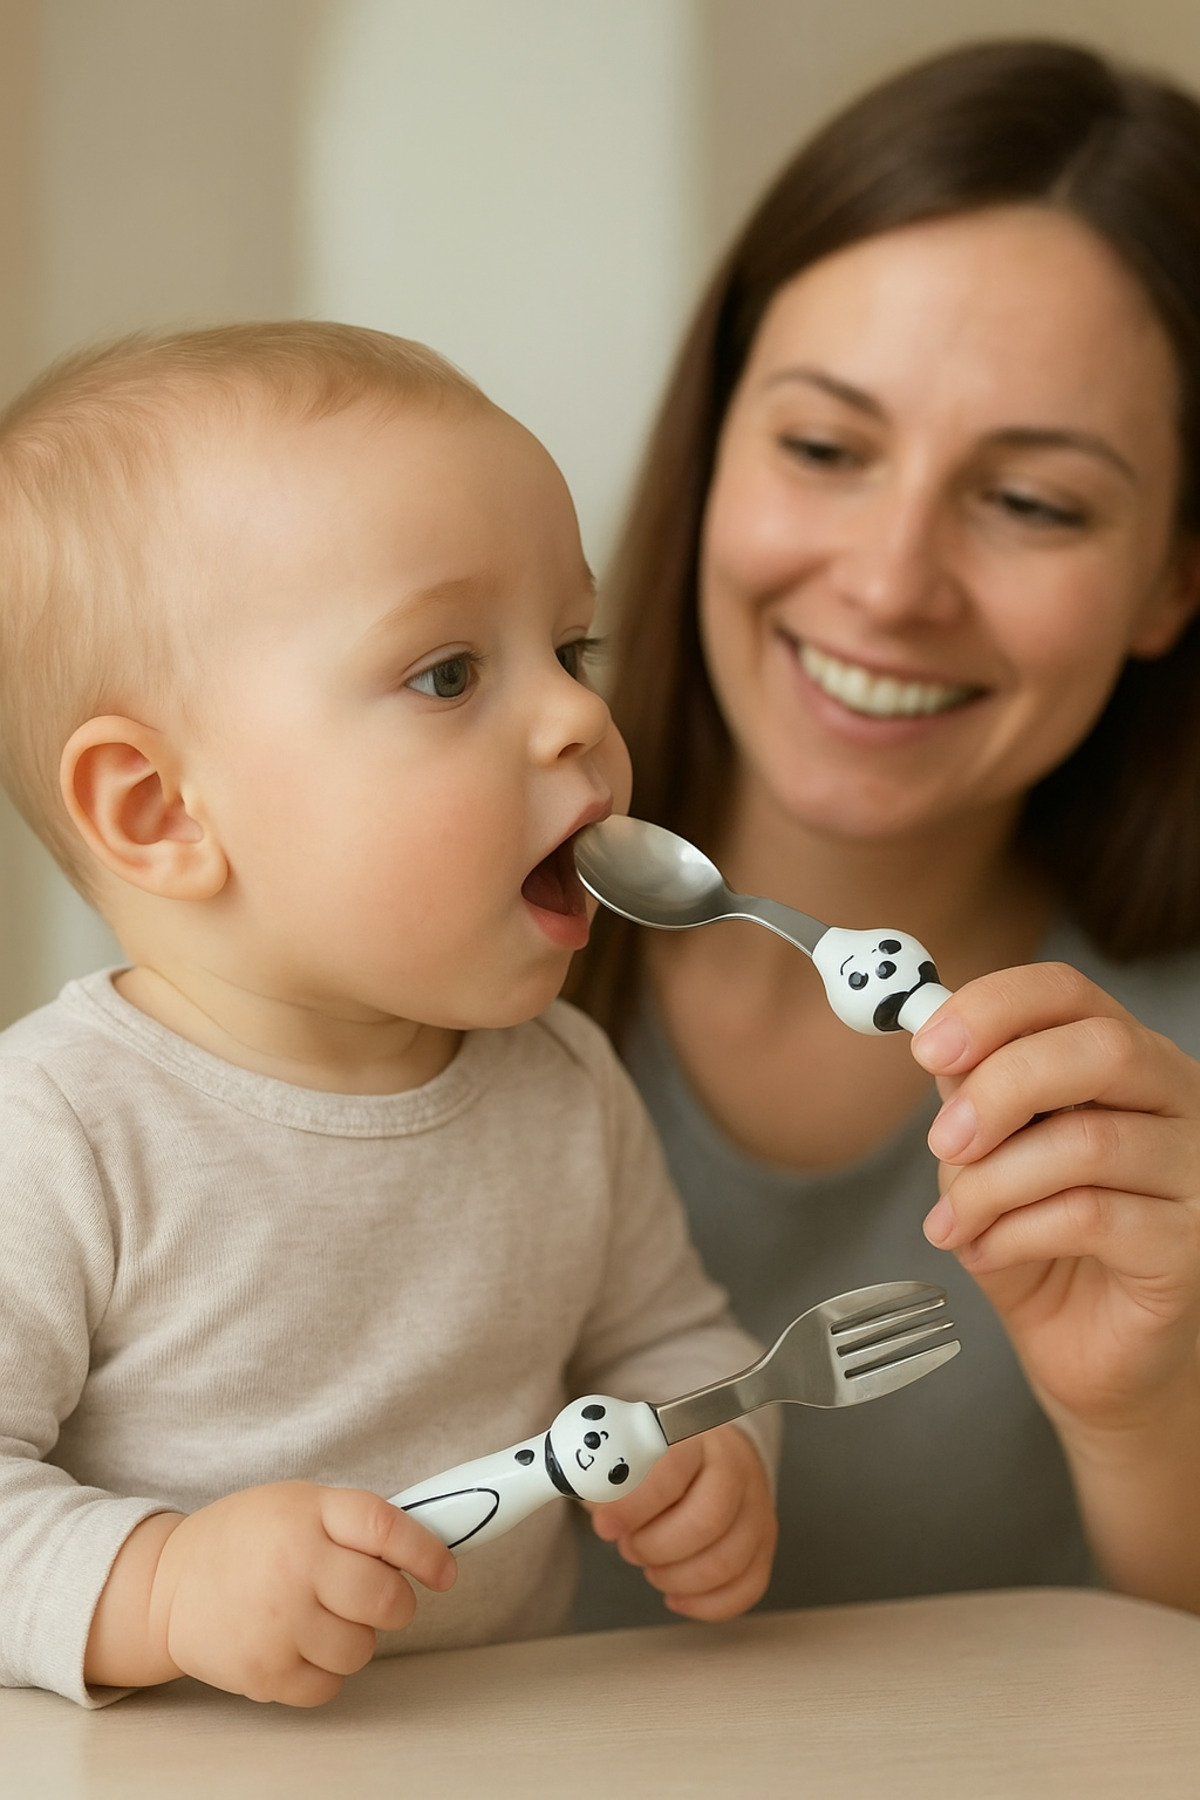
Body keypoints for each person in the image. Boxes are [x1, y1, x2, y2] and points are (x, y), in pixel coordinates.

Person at [0, 321, 778, 1709]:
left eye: (570, 647)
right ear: (162, 811)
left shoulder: (562, 1083)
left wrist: (714, 1446)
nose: (575, 722)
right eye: (448, 675)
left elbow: (675, 1342)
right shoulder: (62, 1129)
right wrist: (164, 1585)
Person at [568, 38, 1200, 1627]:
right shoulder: (373, 945)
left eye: (1035, 502)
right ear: (712, 446)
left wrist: (1143, 1415)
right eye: (826, 449)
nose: (892, 580)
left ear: (1176, 579)